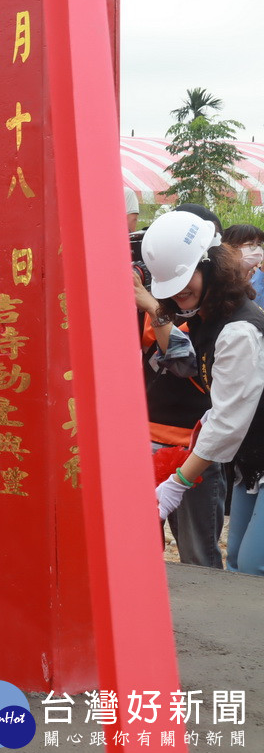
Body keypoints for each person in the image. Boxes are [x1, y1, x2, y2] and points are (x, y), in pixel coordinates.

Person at [144, 211, 264, 575]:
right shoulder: (203, 317)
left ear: (210, 267)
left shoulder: (239, 330)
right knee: (235, 564)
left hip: (253, 448)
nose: (180, 293)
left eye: (186, 280)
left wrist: (177, 483)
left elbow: (227, 421)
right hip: (251, 463)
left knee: (252, 564)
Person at [133, 217, 224, 569]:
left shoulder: (212, 315)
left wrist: (150, 305)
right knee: (139, 547)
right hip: (142, 439)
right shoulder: (160, 297)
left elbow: (186, 363)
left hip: (191, 448)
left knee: (197, 554)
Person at [221, 224, 264, 301]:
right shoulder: (218, 280)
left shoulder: (254, 278)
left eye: (259, 244)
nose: (257, 249)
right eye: (250, 244)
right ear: (231, 247)